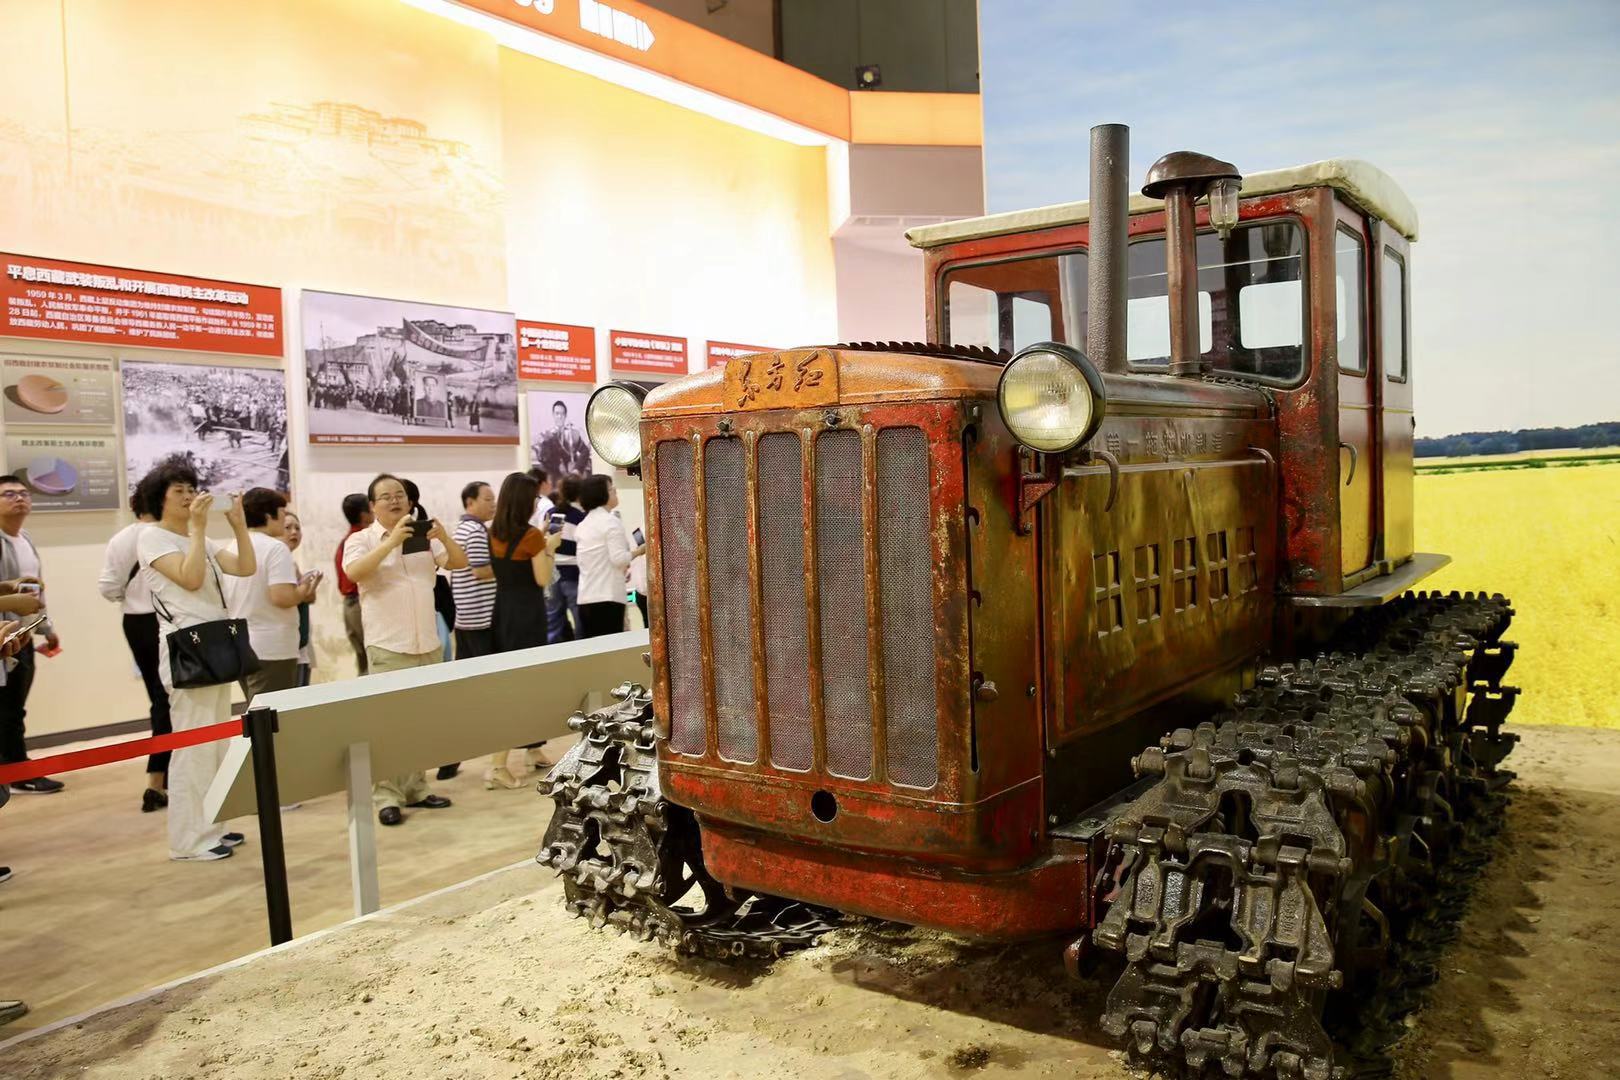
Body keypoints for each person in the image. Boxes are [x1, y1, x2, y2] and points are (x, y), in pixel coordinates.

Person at [135, 458, 256, 861]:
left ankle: (213, 825)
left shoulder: (195, 537)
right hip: (186, 647)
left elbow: (245, 567)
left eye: (191, 489)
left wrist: (239, 525)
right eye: (179, 491)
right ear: (160, 498)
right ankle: (188, 841)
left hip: (213, 643)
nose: (189, 497)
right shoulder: (152, 537)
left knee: (216, 743)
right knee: (193, 747)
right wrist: (199, 529)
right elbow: (190, 579)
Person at [343, 473, 468, 825]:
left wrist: (443, 537)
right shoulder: (361, 540)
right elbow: (354, 573)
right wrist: (390, 543)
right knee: (388, 725)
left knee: (421, 721)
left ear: (410, 501)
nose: (395, 500)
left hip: (427, 641)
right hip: (388, 643)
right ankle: (386, 795)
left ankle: (417, 788)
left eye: (399, 494)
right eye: (386, 496)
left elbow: (459, 563)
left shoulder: (423, 539)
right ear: (372, 506)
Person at [487, 471, 562, 788]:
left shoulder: (494, 531)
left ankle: (533, 748)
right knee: (521, 686)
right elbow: (542, 578)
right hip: (527, 614)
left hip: (503, 610)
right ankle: (497, 766)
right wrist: (549, 548)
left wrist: (540, 542)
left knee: (514, 681)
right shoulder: (530, 536)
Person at [98, 490, 172, 811]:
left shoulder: (121, 538)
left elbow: (108, 587)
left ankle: (160, 779)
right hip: (169, 620)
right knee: (172, 699)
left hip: (135, 621)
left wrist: (130, 597)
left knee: (159, 697)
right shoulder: (167, 535)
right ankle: (159, 780)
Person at [222, 488, 318, 704]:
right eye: (282, 512)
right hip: (272, 647)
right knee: (272, 715)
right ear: (268, 515)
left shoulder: (233, 545)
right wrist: (304, 588)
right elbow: (282, 597)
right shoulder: (275, 548)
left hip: (241, 645)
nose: (285, 519)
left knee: (256, 711)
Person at [0, 474, 63, 794]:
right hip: (3, 639)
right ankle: (17, 772)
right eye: (9, 494)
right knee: (7, 709)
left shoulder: (25, 539)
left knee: (14, 707)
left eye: (24, 493)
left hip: (22, 636)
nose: (19, 499)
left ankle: (14, 769)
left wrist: (46, 628)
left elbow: (36, 591)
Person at [574, 474, 645, 638]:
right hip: (608, 596)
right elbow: (619, 559)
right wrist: (640, 551)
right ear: (601, 494)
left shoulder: (583, 525)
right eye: (611, 488)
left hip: (585, 597)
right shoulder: (610, 522)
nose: (615, 491)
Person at [450, 481, 497, 661]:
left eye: (493, 500)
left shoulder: (464, 528)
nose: (493, 504)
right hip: (480, 617)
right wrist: (509, 567)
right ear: (470, 502)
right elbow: (481, 571)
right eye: (488, 500)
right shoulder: (475, 531)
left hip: (466, 615)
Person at [335, 493, 372, 675]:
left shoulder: (347, 541)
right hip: (358, 603)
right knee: (370, 659)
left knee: (364, 660)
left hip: (350, 604)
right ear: (364, 515)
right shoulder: (360, 541)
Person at [546, 476, 585, 643]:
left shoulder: (551, 513)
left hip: (552, 572)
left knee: (553, 621)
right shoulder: (580, 517)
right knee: (579, 620)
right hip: (574, 574)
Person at [282, 511, 316, 687]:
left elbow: (307, 598)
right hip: (287, 645)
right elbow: (289, 598)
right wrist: (304, 588)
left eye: (297, 528)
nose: (294, 532)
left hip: (300, 641)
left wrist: (309, 586)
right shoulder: (280, 562)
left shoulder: (291, 562)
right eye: (287, 528)